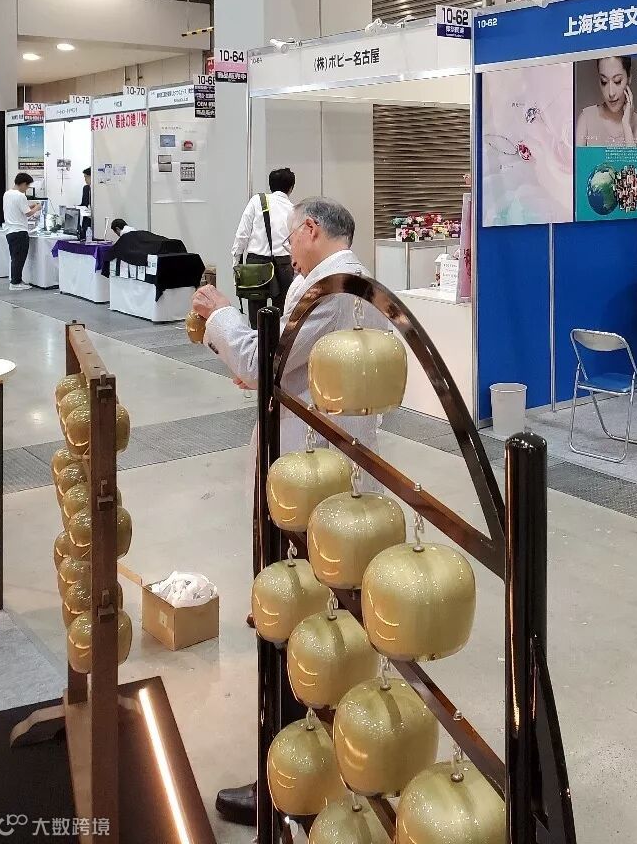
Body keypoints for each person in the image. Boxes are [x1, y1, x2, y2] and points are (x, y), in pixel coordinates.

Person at [190, 196, 387, 830]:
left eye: (290, 237)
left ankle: (293, 774)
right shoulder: (354, 286)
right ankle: (313, 760)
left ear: (309, 228)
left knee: (299, 617)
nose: (286, 252)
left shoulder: (329, 291)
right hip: (332, 470)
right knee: (323, 616)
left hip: (311, 477)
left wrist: (221, 316)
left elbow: (260, 362)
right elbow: (281, 367)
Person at [231, 167, 296, 326]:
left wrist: (236, 261)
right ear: (291, 188)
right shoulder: (294, 209)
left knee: (256, 313)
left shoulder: (257, 201)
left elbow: (242, 234)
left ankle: (257, 339)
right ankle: (277, 340)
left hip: (256, 263)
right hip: (284, 264)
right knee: (281, 312)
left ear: (270, 186)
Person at [576, 55, 637, 147]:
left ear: (629, 78)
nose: (611, 93)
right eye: (604, 82)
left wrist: (626, 126)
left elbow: (635, 158)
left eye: (617, 81)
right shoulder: (586, 119)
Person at [3, 173, 42, 291]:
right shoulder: (20, 196)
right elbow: (28, 213)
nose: (27, 189)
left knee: (15, 257)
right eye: (27, 186)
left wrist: (30, 205)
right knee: (19, 258)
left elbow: (18, 208)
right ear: (24, 184)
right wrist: (37, 208)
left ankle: (17, 280)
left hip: (10, 231)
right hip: (19, 231)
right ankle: (15, 282)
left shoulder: (7, 194)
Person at [79, 168, 92, 241]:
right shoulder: (86, 188)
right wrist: (77, 208)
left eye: (86, 177)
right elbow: (83, 204)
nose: (85, 179)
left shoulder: (98, 190)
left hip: (94, 219)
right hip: (86, 219)